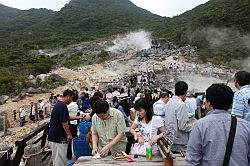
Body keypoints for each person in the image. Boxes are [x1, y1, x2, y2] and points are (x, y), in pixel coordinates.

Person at [186, 83, 250, 166]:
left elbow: (192, 160)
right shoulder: (246, 126)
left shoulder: (200, 126)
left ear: (208, 103)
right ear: (231, 103)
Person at [48, 89, 83, 166]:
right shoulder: (62, 106)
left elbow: (66, 117)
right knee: (59, 159)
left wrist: (77, 117)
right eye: (71, 98)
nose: (71, 101)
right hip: (58, 136)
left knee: (58, 158)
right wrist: (69, 134)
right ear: (68, 97)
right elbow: (64, 122)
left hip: (55, 135)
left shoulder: (60, 105)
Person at [164, 81, 194, 152]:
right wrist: (194, 125)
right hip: (179, 142)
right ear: (186, 93)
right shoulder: (181, 105)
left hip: (170, 139)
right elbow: (183, 126)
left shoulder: (169, 102)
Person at [67, 92, 80, 160]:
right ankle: (74, 154)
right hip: (74, 124)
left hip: (71, 124)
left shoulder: (71, 105)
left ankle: (69, 155)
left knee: (69, 141)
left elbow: (65, 111)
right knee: (74, 140)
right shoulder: (76, 105)